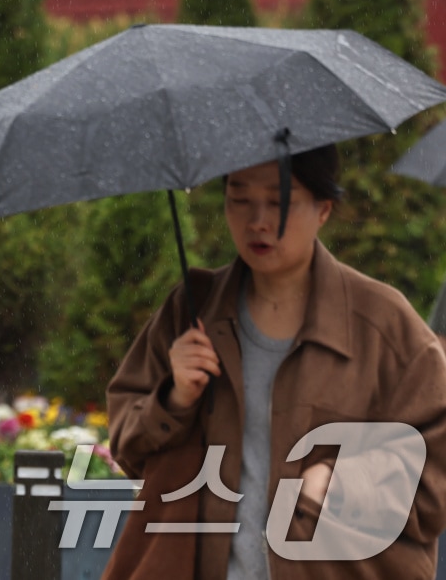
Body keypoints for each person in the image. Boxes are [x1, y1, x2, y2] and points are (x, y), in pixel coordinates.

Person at [107, 145, 446, 579]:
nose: (257, 221)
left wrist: (345, 480)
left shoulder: (383, 325)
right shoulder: (192, 312)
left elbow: (434, 465)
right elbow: (129, 447)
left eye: (279, 200)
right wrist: (173, 399)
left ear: (323, 209)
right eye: (240, 198)